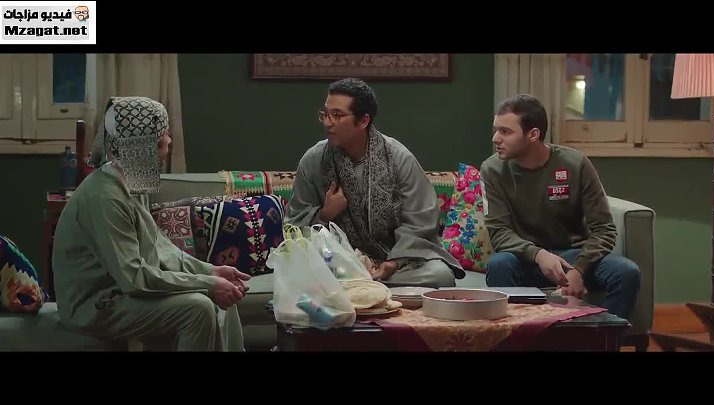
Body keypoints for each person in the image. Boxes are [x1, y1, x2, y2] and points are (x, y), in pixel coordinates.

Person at [52, 96, 249, 351]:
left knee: (225, 295)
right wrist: (207, 285)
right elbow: (133, 278)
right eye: (162, 137)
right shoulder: (105, 198)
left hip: (121, 291)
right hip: (95, 304)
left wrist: (210, 272)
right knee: (198, 308)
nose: (169, 141)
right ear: (143, 147)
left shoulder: (133, 180)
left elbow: (159, 248)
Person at [285, 77, 464, 288]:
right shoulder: (313, 160)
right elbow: (294, 226)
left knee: (440, 276)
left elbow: (420, 221)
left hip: (394, 261)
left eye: (337, 115)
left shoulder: (399, 158)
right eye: (325, 114)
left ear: (363, 121)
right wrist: (324, 215)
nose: (327, 122)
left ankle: (358, 286)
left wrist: (393, 263)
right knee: (299, 271)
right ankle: (359, 283)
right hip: (336, 259)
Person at [480, 94, 640, 319]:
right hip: (525, 258)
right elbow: (499, 232)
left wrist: (579, 269)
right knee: (499, 264)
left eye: (505, 132)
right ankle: (514, 335)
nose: (495, 138)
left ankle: (603, 337)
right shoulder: (492, 170)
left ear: (533, 134)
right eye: (496, 130)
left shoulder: (575, 164)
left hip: (573, 255)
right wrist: (539, 255)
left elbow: (604, 229)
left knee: (626, 272)